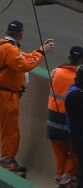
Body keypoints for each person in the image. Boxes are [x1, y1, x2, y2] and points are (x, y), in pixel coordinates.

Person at [0, 18, 51, 174]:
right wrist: (42, 52)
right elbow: (25, 64)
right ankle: (7, 163)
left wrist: (40, 49)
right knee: (10, 131)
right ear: (20, 34)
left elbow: (26, 57)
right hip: (6, 94)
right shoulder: (10, 50)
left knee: (9, 129)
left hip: (7, 92)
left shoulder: (5, 45)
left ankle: (8, 159)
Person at [42, 43, 83, 188]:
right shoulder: (79, 78)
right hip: (69, 123)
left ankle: (62, 180)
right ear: (81, 61)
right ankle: (66, 183)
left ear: (69, 58)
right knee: (76, 152)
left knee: (60, 153)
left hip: (52, 120)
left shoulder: (55, 72)